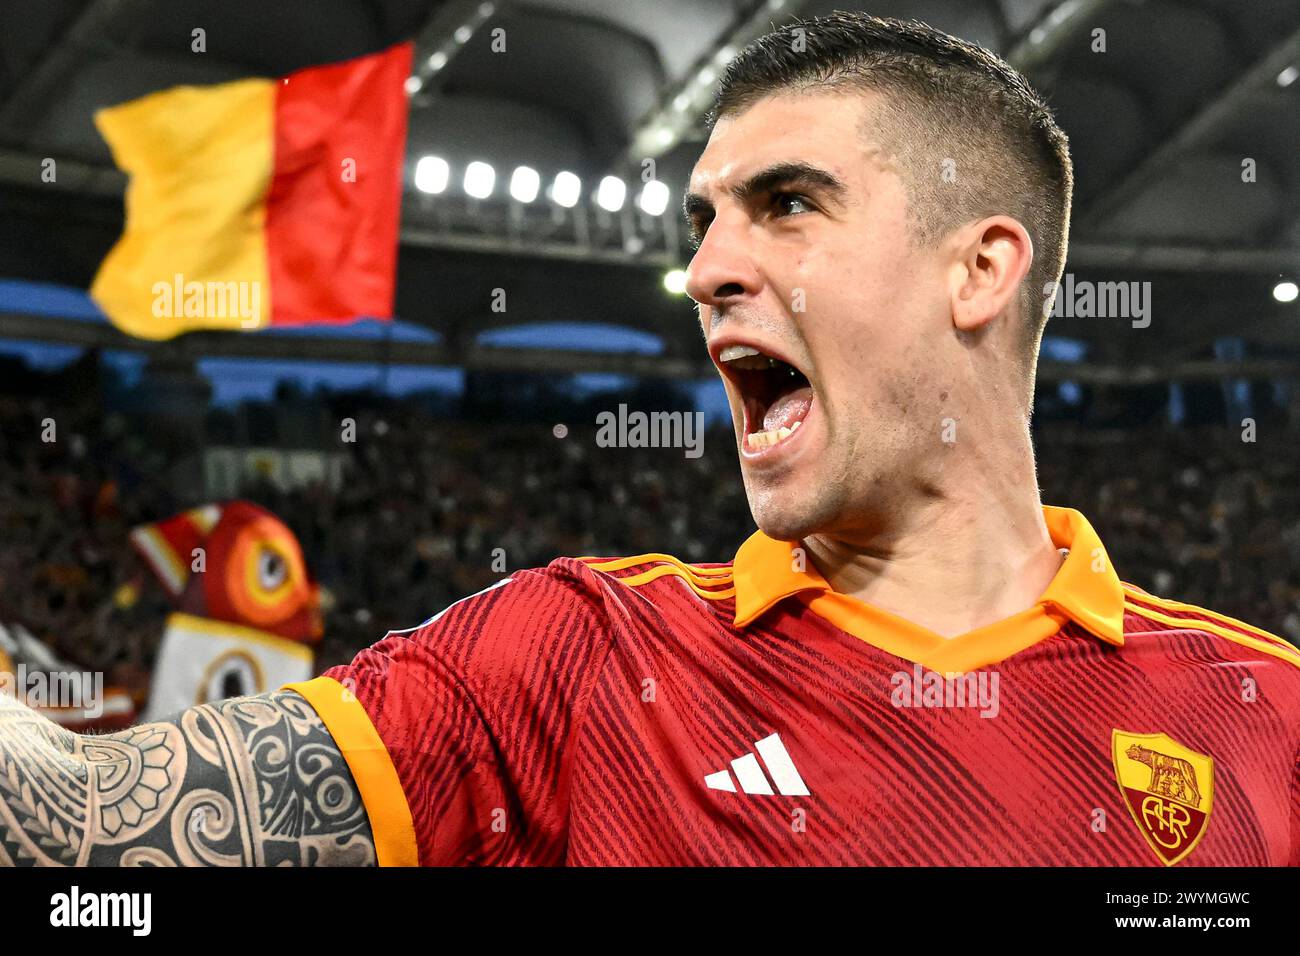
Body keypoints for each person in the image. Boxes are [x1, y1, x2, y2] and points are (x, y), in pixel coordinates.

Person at [2, 12, 1296, 867]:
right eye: (704, 220)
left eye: (789, 205)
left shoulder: (1266, 718)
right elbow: (81, 841)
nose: (710, 268)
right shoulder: (570, 661)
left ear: (982, 268)